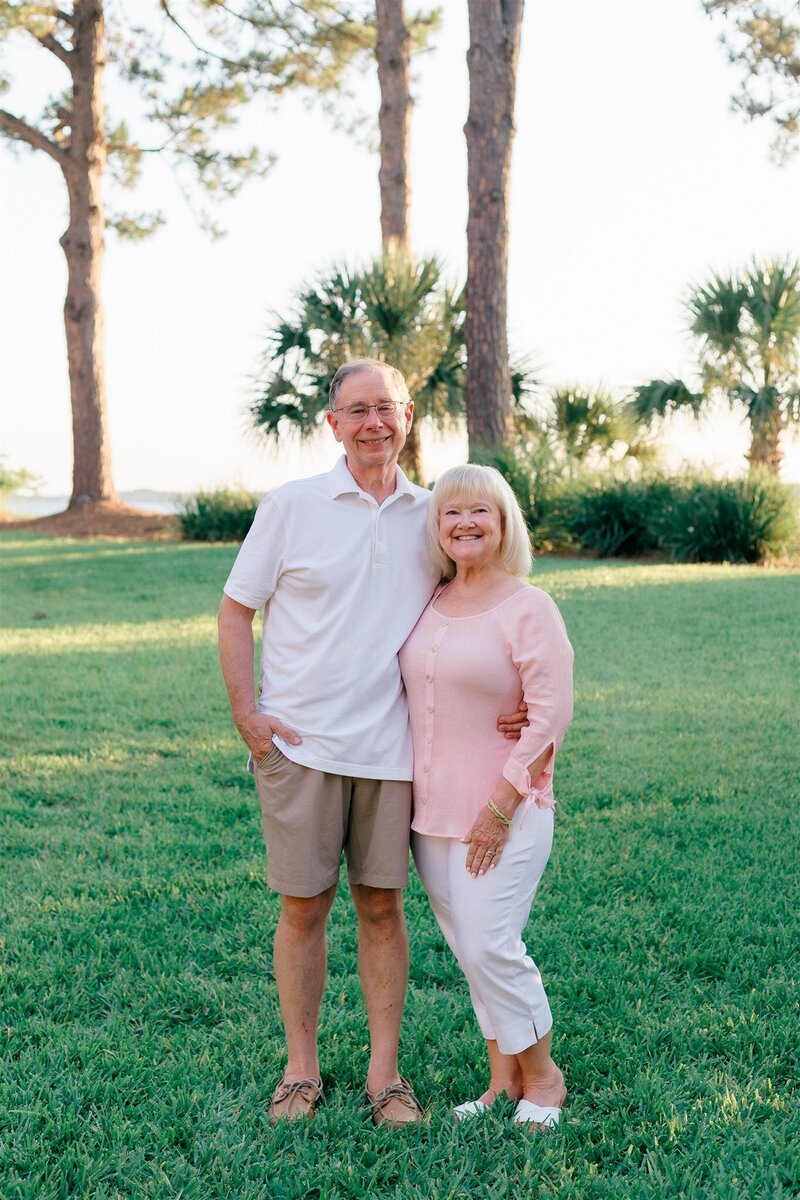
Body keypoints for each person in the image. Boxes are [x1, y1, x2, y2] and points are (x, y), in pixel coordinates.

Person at [217, 360, 527, 1125]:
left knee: (383, 908)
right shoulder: (292, 506)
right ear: (332, 424)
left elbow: (482, 602)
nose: (372, 424)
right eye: (356, 410)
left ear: (409, 414)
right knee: (304, 908)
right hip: (303, 748)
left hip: (395, 754)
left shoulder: (432, 514)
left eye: (384, 408)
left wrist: (517, 695)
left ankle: (385, 1079)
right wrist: (248, 717)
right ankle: (300, 1071)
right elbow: (234, 611)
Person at [399, 464, 574, 1129]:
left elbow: (550, 713)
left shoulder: (529, 605)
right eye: (451, 513)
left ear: (504, 525)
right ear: (437, 527)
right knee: (466, 947)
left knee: (491, 943)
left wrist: (502, 806)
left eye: (481, 512)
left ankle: (545, 1078)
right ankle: (502, 1080)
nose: (465, 524)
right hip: (431, 812)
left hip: (506, 808)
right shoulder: (430, 599)